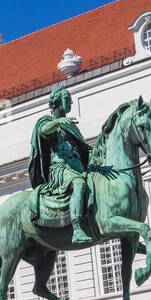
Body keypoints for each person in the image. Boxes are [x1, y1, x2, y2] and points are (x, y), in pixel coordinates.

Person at [28, 87, 92, 244]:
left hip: (77, 166)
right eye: (66, 99)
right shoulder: (46, 121)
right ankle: (77, 229)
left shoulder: (71, 126)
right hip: (61, 168)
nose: (70, 102)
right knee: (79, 184)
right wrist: (58, 122)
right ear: (56, 102)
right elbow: (43, 131)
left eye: (70, 99)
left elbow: (83, 149)